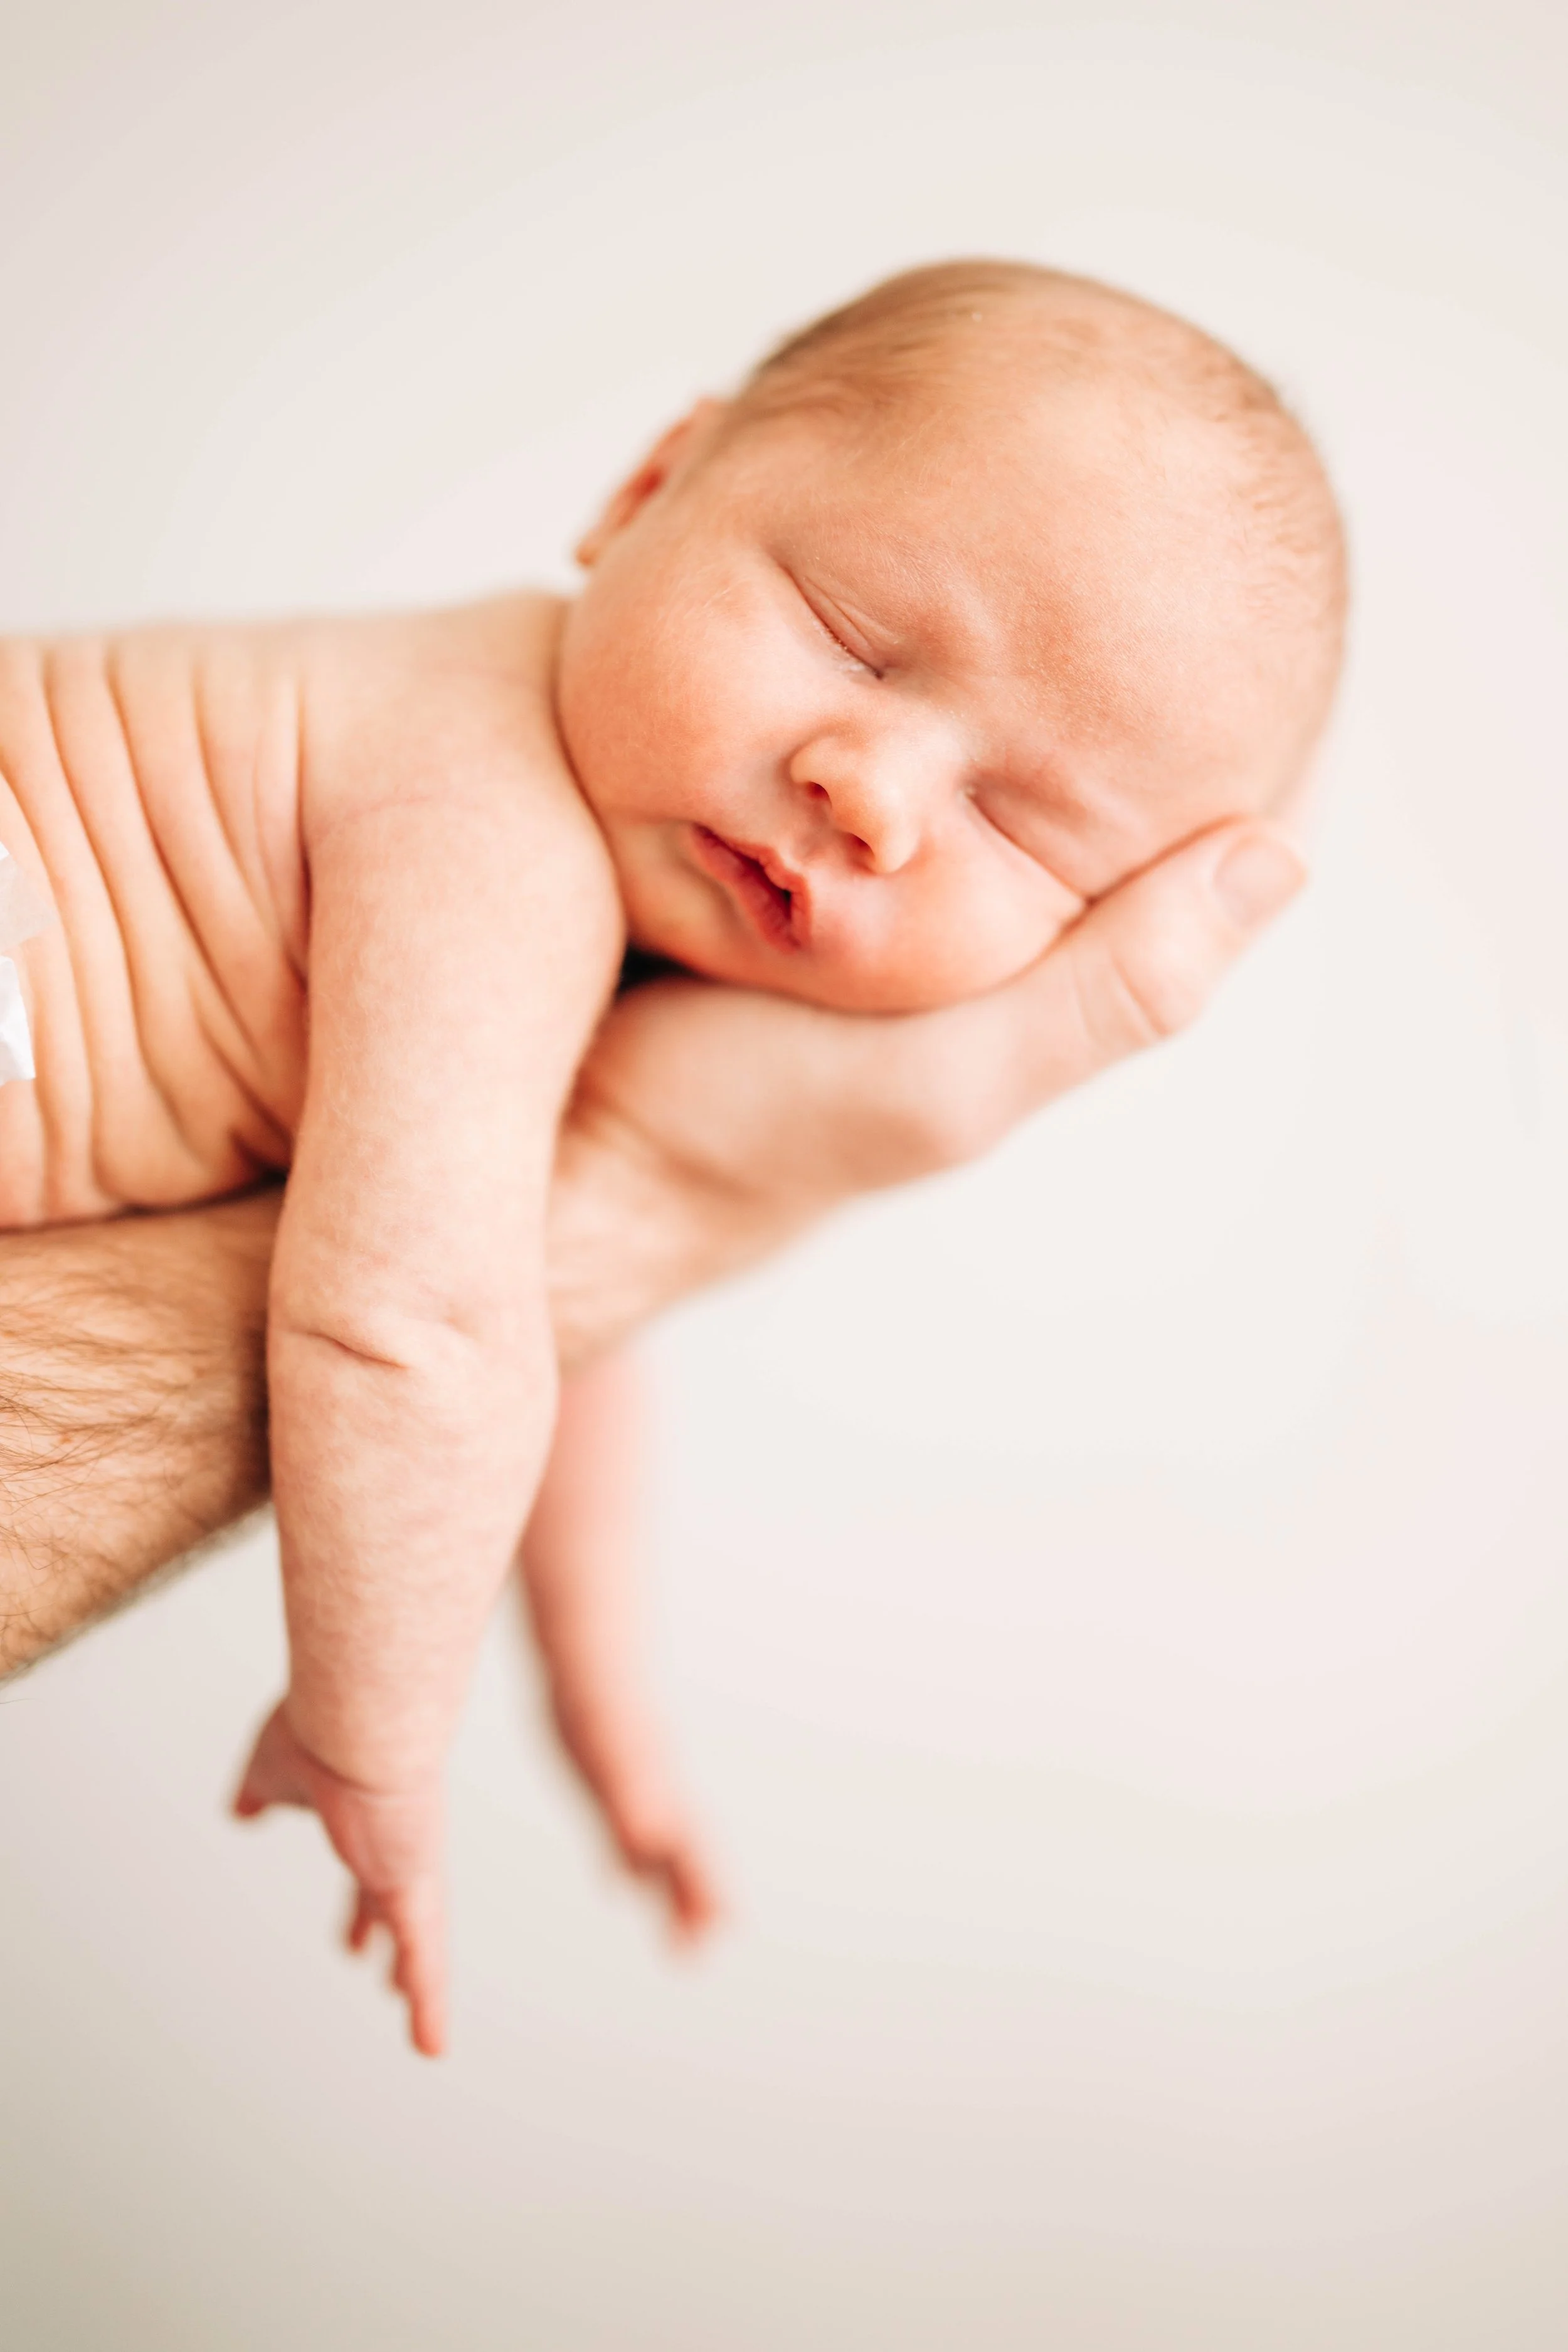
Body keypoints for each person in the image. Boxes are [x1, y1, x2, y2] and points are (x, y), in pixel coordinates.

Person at [0, 260, 1338, 2050]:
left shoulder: (583, 922)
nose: (872, 787)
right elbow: (419, 1332)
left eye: (1018, 823)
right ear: (643, 493)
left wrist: (599, 1699)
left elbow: (540, 1333)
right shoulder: (485, 818)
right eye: (857, 636)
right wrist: (369, 1732)